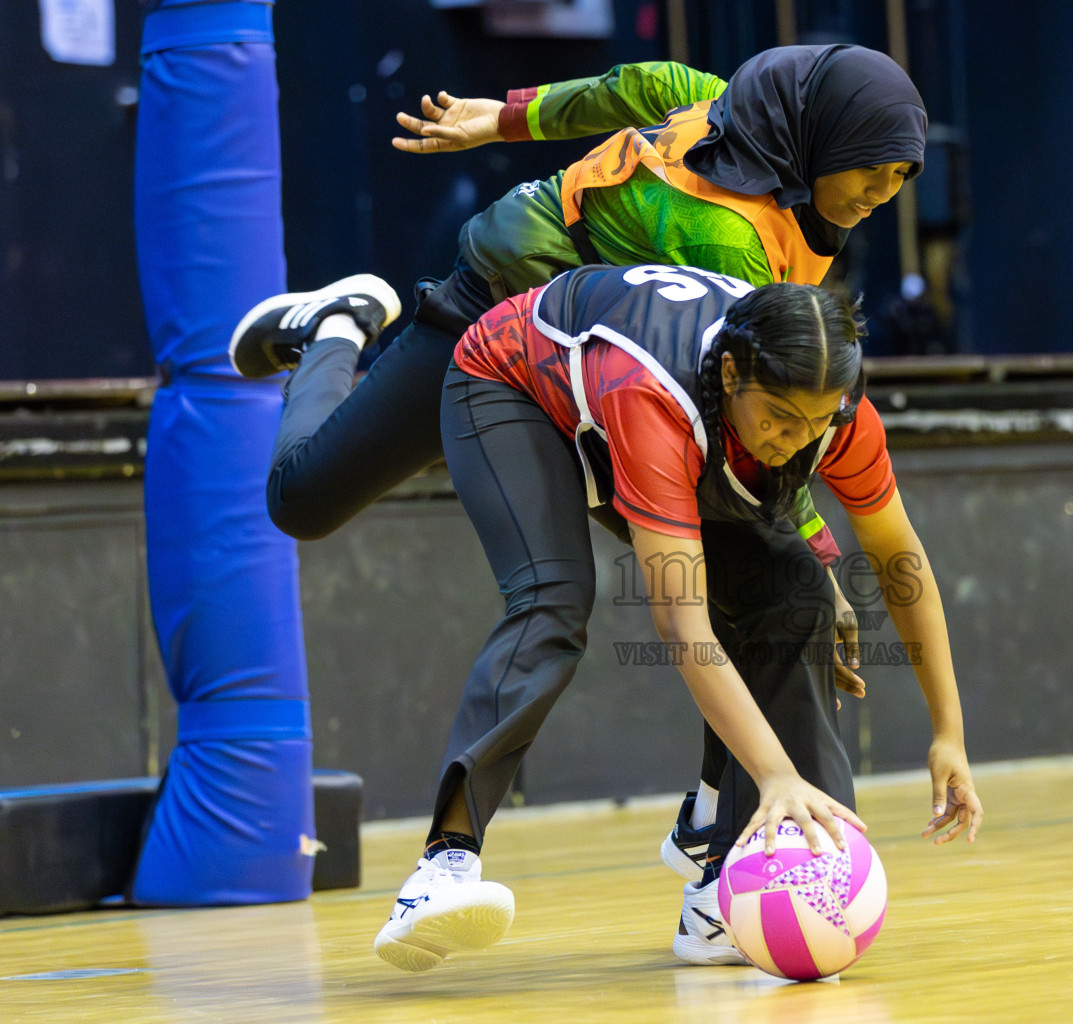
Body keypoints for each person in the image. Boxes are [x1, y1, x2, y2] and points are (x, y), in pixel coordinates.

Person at [229, 45, 927, 872]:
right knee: (301, 501)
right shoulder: (725, 243)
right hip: (499, 333)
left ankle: (717, 829)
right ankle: (336, 328)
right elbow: (759, 433)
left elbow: (642, 85)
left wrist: (504, 117)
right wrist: (812, 540)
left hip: (601, 381)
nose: (883, 196)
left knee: (753, 580)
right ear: (823, 141)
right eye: (871, 173)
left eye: (900, 179)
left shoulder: (741, 116)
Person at [368, 263, 983, 972]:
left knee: (796, 600)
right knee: (554, 598)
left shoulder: (833, 418)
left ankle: (728, 877)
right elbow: (685, 626)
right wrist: (777, 772)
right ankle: (442, 866)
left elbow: (901, 564)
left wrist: (949, 735)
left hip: (646, 421)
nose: (796, 441)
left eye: (817, 422)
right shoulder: (654, 397)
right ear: (729, 378)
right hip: (512, 388)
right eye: (780, 421)